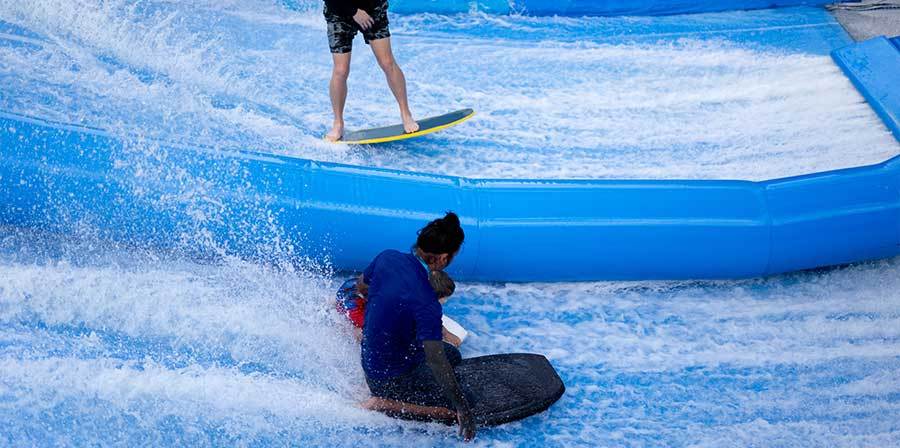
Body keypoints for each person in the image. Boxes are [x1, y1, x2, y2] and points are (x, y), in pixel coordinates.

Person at [357, 212, 475, 441]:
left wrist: (390, 313)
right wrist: (461, 406)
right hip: (387, 378)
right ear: (441, 259)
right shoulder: (426, 301)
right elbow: (435, 359)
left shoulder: (387, 257)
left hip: (372, 356)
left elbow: (362, 287)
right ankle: (382, 403)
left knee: (453, 354)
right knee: (466, 400)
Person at [322, 0, 419, 141]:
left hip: (372, 9)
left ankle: (406, 114)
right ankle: (338, 123)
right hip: (339, 12)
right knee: (341, 70)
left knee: (387, 62)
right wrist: (354, 11)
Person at [335, 270, 464, 347]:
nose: (445, 302)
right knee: (368, 332)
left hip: (360, 288)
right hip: (352, 296)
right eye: (443, 299)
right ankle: (343, 324)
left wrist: (446, 334)